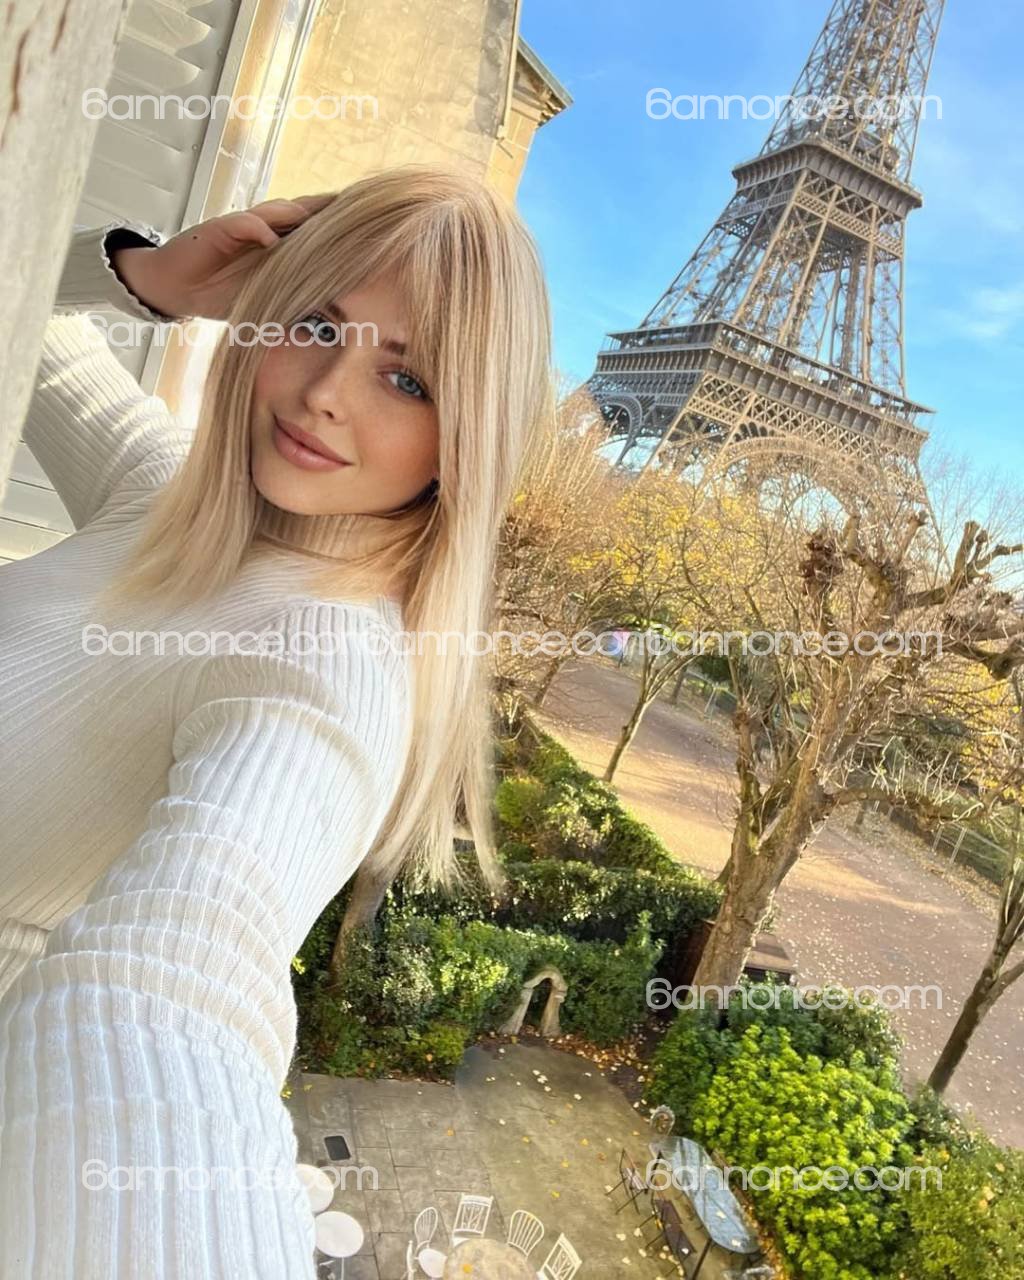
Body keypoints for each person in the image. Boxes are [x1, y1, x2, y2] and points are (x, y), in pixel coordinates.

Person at [0, 165, 554, 1278]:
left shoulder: (331, 663)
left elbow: (172, 991)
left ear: (466, 441)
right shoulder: (161, 489)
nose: (326, 393)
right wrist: (147, 280)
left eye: (407, 377)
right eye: (315, 323)